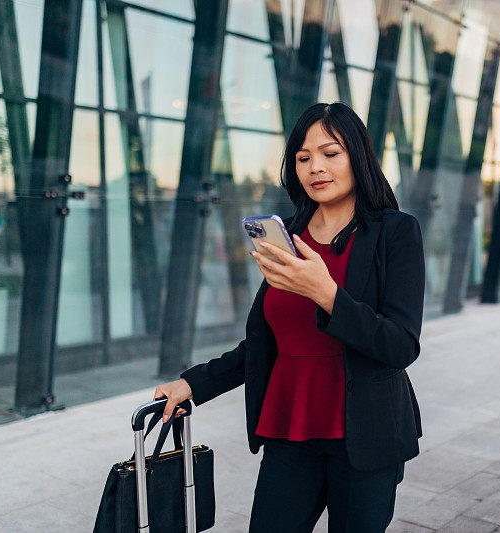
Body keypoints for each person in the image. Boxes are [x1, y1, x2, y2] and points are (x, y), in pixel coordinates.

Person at [153, 101, 426, 532]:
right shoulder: (289, 236)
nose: (315, 166)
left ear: (358, 156)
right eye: (303, 158)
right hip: (291, 429)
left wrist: (326, 294)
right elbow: (268, 343)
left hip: (364, 435)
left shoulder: (396, 232)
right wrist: (193, 384)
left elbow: (400, 344)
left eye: (330, 153)